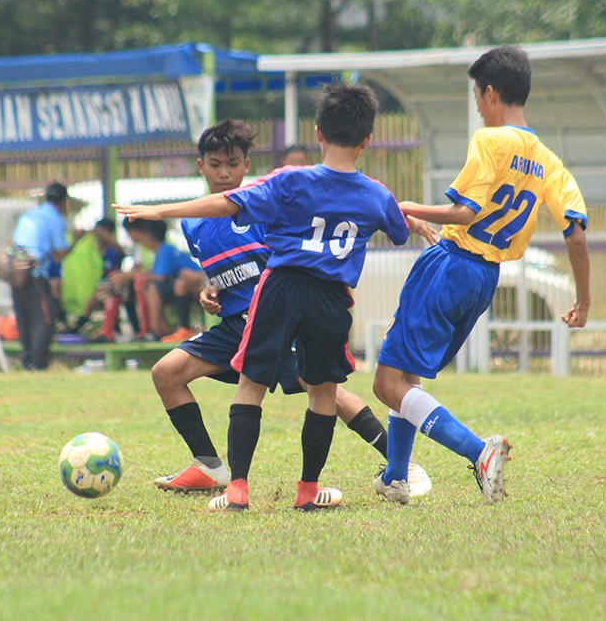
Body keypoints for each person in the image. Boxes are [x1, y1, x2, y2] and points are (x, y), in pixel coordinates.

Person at [117, 82, 429, 512]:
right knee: (177, 373)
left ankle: (398, 464)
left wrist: (159, 210)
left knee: (278, 389)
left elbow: (229, 205)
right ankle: (225, 471)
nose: (224, 173)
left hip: (277, 299)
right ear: (367, 140)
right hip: (299, 305)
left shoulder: (280, 188)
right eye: (215, 164)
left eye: (232, 164)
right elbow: (394, 221)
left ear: (317, 132)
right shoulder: (373, 192)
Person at [371, 45, 591, 506]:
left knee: (387, 384)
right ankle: (395, 478)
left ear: (490, 93)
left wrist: (404, 207)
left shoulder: (490, 140)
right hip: (484, 277)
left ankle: (478, 452)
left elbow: (465, 212)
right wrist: (584, 301)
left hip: (452, 263)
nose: (477, 106)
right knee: (407, 376)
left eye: (476, 97)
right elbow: (575, 233)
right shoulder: (548, 160)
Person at [11, 181, 75, 370]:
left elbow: (13, 241)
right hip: (35, 272)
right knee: (44, 318)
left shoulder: (30, 215)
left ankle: (26, 358)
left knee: (24, 316)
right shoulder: (54, 218)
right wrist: (76, 241)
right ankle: (38, 362)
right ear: (64, 202)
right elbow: (59, 253)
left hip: (16, 270)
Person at [122, 217, 203, 341]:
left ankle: (158, 330)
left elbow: (161, 277)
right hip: (180, 285)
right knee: (151, 286)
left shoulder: (165, 249)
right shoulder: (161, 251)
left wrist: (133, 275)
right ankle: (161, 330)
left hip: (195, 284)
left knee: (153, 287)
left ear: (148, 236)